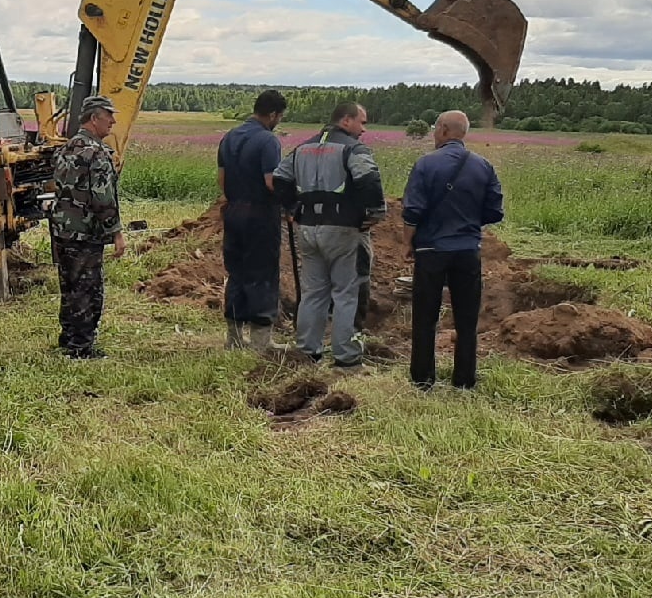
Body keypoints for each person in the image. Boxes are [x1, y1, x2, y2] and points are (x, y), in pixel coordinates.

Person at [273, 102, 387, 367]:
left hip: (308, 229)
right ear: (346, 121)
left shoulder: (301, 149)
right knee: (347, 293)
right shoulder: (352, 149)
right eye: (362, 122)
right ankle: (347, 357)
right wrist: (375, 214)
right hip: (344, 230)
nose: (364, 129)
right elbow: (368, 179)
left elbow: (279, 178)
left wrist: (291, 208)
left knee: (314, 292)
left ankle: (308, 351)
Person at [401, 110, 504, 390]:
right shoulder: (484, 166)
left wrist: (408, 242)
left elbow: (412, 211)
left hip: (430, 249)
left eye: (435, 129)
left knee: (425, 317)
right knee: (467, 319)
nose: (434, 134)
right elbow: (495, 211)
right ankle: (464, 381)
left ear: (444, 130)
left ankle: (422, 380)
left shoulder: (425, 164)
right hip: (468, 249)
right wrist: (469, 222)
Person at [50, 94, 126, 358]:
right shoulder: (97, 153)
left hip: (62, 231)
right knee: (87, 290)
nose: (113, 122)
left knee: (69, 287)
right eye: (109, 116)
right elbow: (102, 199)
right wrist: (116, 232)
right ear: (94, 118)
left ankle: (68, 338)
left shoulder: (66, 148)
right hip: (84, 235)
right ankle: (81, 348)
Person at [216, 89, 287, 353]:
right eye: (279, 117)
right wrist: (289, 199)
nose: (278, 121)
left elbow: (221, 180)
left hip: (234, 211)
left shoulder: (230, 137)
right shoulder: (268, 141)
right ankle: (261, 342)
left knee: (237, 273)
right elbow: (271, 182)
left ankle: (233, 339)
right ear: (272, 114)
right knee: (263, 274)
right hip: (260, 215)